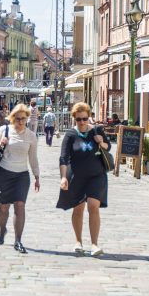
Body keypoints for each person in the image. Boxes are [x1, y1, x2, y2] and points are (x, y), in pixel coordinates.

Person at [57, 103, 109, 257]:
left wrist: (101, 141)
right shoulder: (70, 135)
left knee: (93, 206)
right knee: (78, 208)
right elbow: (63, 157)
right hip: (77, 177)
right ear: (74, 119)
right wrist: (63, 177)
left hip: (96, 175)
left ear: (89, 117)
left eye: (85, 118)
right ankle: (78, 241)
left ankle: (94, 244)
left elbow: (107, 148)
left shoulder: (97, 131)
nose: (82, 122)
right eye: (79, 119)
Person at [0, 104, 40, 254]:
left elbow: (33, 158)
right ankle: (2, 230)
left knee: (20, 205)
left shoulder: (31, 136)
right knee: (3, 207)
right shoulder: (4, 130)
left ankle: (18, 240)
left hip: (21, 175)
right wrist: (0, 144)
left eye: (23, 119)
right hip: (4, 173)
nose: (20, 121)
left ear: (27, 118)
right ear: (12, 119)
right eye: (17, 119)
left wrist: (37, 176)